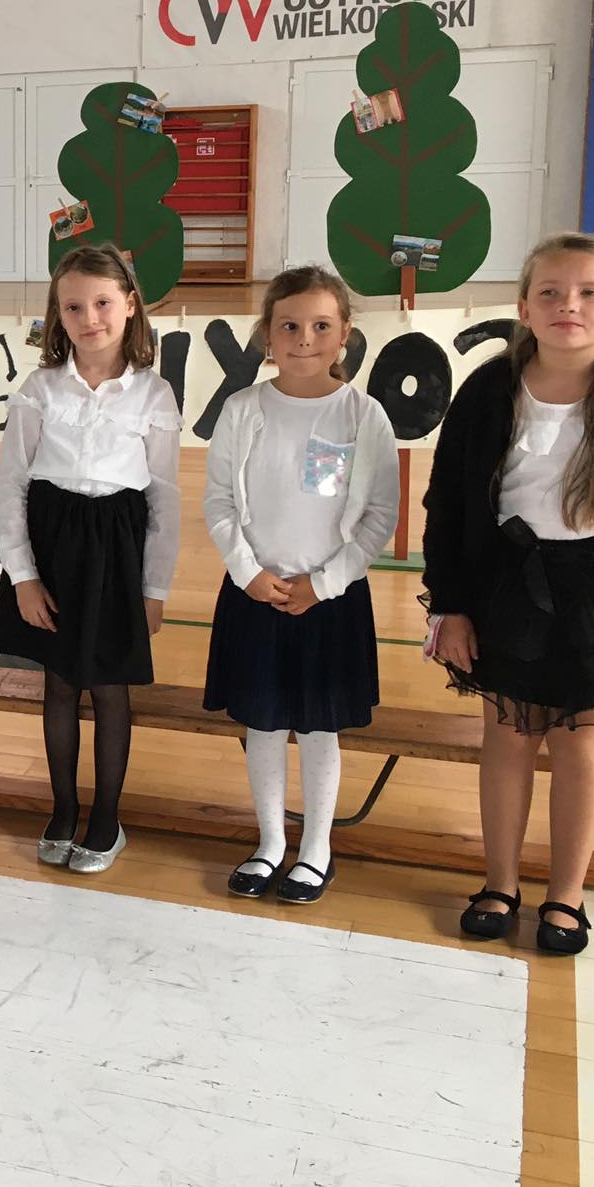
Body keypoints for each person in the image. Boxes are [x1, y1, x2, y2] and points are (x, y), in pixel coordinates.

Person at [425, 233, 594, 954]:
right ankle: (499, 883)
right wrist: (449, 604)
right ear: (524, 308)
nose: (567, 305)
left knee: (581, 747)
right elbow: (448, 502)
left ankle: (567, 895)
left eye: (587, 293)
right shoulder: (489, 390)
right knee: (509, 737)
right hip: (504, 587)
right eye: (549, 292)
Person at [202, 265, 397, 905]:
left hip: (328, 601)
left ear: (344, 334)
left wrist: (325, 583)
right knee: (261, 725)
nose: (304, 339)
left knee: (318, 729)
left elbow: (379, 517)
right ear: (267, 334)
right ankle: (269, 843)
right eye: (289, 326)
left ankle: (316, 849)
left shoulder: (363, 416)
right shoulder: (242, 410)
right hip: (255, 595)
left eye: (320, 325)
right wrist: (249, 574)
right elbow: (219, 503)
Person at [0, 245, 181, 877]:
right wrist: (23, 577)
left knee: (109, 685)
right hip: (54, 547)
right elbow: (10, 486)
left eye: (102, 303)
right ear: (57, 315)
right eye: (73, 307)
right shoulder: (39, 389)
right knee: (60, 682)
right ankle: (64, 808)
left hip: (117, 551)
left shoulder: (153, 394)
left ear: (130, 305)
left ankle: (108, 817)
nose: (89, 318)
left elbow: (164, 498)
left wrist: (154, 588)